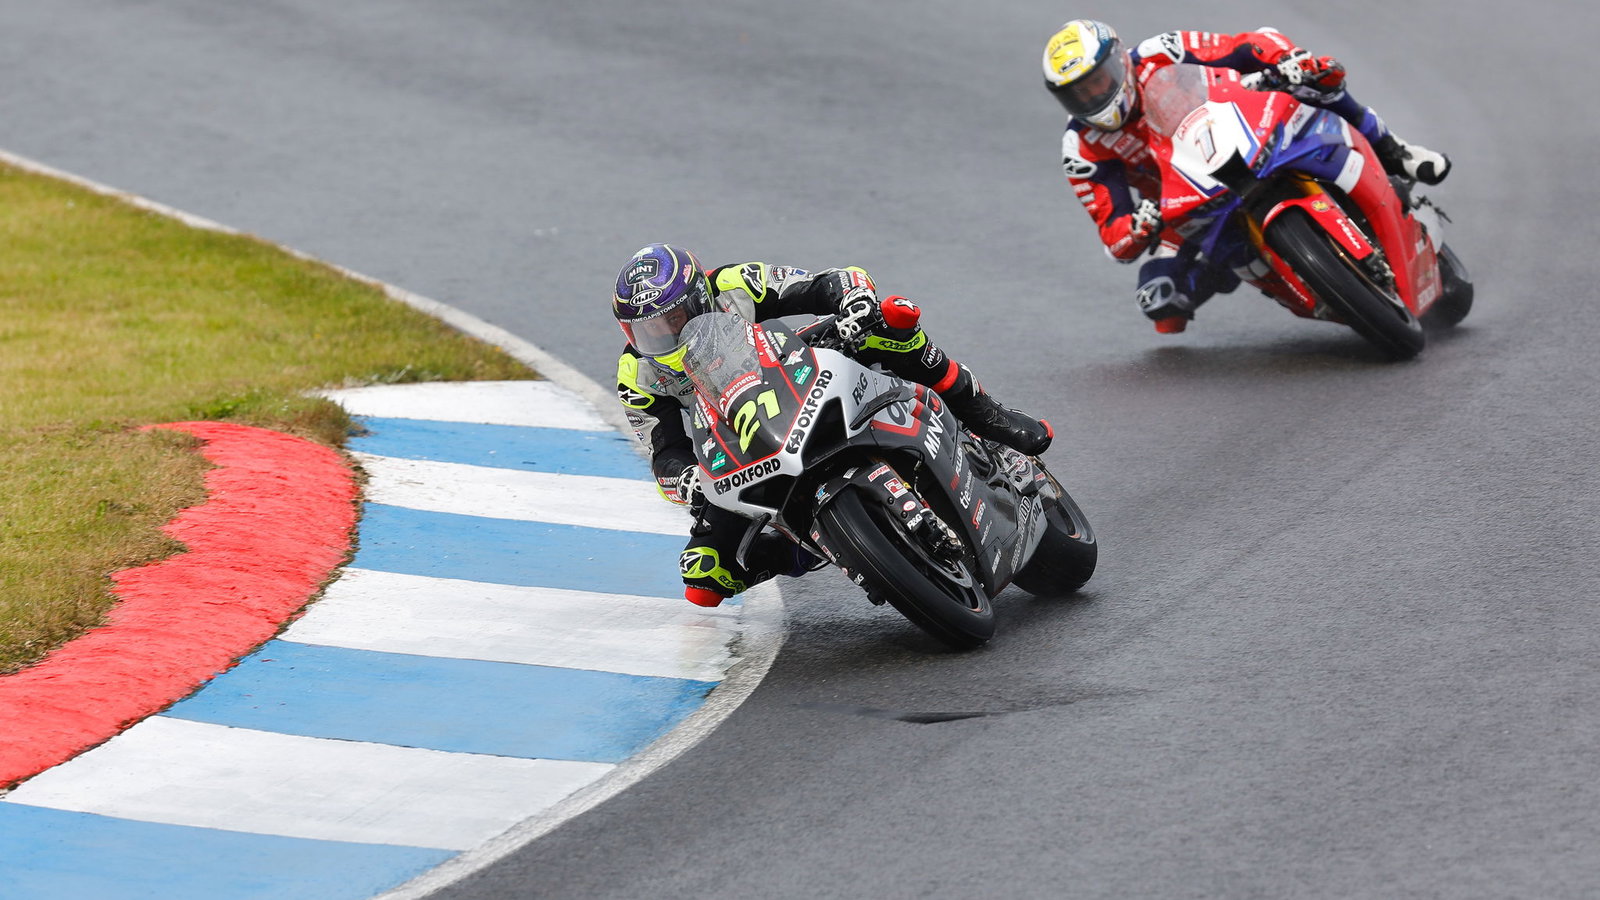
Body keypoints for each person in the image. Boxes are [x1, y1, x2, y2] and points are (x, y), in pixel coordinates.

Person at [612, 243, 1052, 608]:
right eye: (648, 331)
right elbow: (664, 452)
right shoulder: (637, 375)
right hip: (737, 440)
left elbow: (821, 284)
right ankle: (826, 546)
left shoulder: (732, 284)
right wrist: (686, 479)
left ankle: (986, 414)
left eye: (673, 320)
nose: (665, 336)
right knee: (705, 580)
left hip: (791, 370)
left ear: (699, 299)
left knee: (888, 322)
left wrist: (851, 300)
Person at [1041, 20, 1452, 332]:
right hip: (1182, 203)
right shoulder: (1081, 147)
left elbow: (1245, 44)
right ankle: (1277, 277)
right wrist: (1140, 224)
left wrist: (1285, 60)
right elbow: (1113, 234)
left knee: (1317, 77)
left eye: (1097, 81)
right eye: (1079, 93)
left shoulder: (1159, 52)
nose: (1093, 96)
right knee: (1160, 304)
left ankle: (1395, 150)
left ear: (1117, 61)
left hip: (1238, 135)